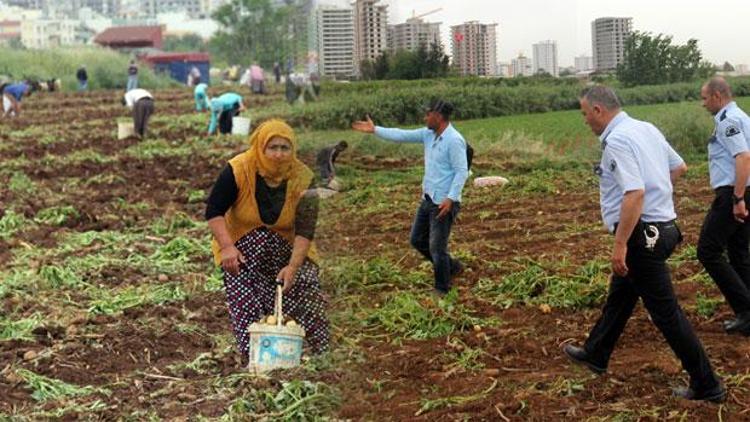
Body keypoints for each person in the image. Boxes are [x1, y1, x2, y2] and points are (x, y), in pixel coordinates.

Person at [563, 85, 724, 403]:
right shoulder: (644, 128)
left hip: (643, 237)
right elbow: (679, 167)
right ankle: (595, 353)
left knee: (666, 314)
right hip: (664, 229)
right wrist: (658, 195)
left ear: (598, 110)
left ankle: (708, 384)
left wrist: (620, 243)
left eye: (585, 114)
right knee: (620, 296)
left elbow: (634, 194)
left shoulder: (618, 139)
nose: (585, 121)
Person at [205, 119, 329, 358]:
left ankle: (318, 354)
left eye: (285, 148)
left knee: (305, 288)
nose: (279, 154)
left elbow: (305, 229)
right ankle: (256, 357)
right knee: (245, 299)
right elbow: (214, 211)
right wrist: (227, 247)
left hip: (287, 248)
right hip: (241, 247)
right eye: (272, 148)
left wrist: (293, 266)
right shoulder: (239, 169)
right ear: (260, 147)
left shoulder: (303, 177)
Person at [351, 100, 469, 295]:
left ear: (438, 116)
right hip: (429, 197)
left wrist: (451, 198)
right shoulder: (428, 134)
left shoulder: (454, 140)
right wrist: (375, 130)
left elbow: (461, 171)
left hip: (444, 202)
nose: (425, 118)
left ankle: (442, 288)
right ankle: (453, 267)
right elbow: (401, 134)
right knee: (416, 239)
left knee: (437, 248)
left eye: (427, 114)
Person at [696, 77, 750, 335]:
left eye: (705, 98)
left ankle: (746, 309)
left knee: (708, 250)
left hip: (733, 192)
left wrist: (737, 198)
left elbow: (743, 157)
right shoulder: (741, 116)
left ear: (717, 96)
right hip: (744, 190)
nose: (703, 103)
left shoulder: (728, 121)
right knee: (739, 253)